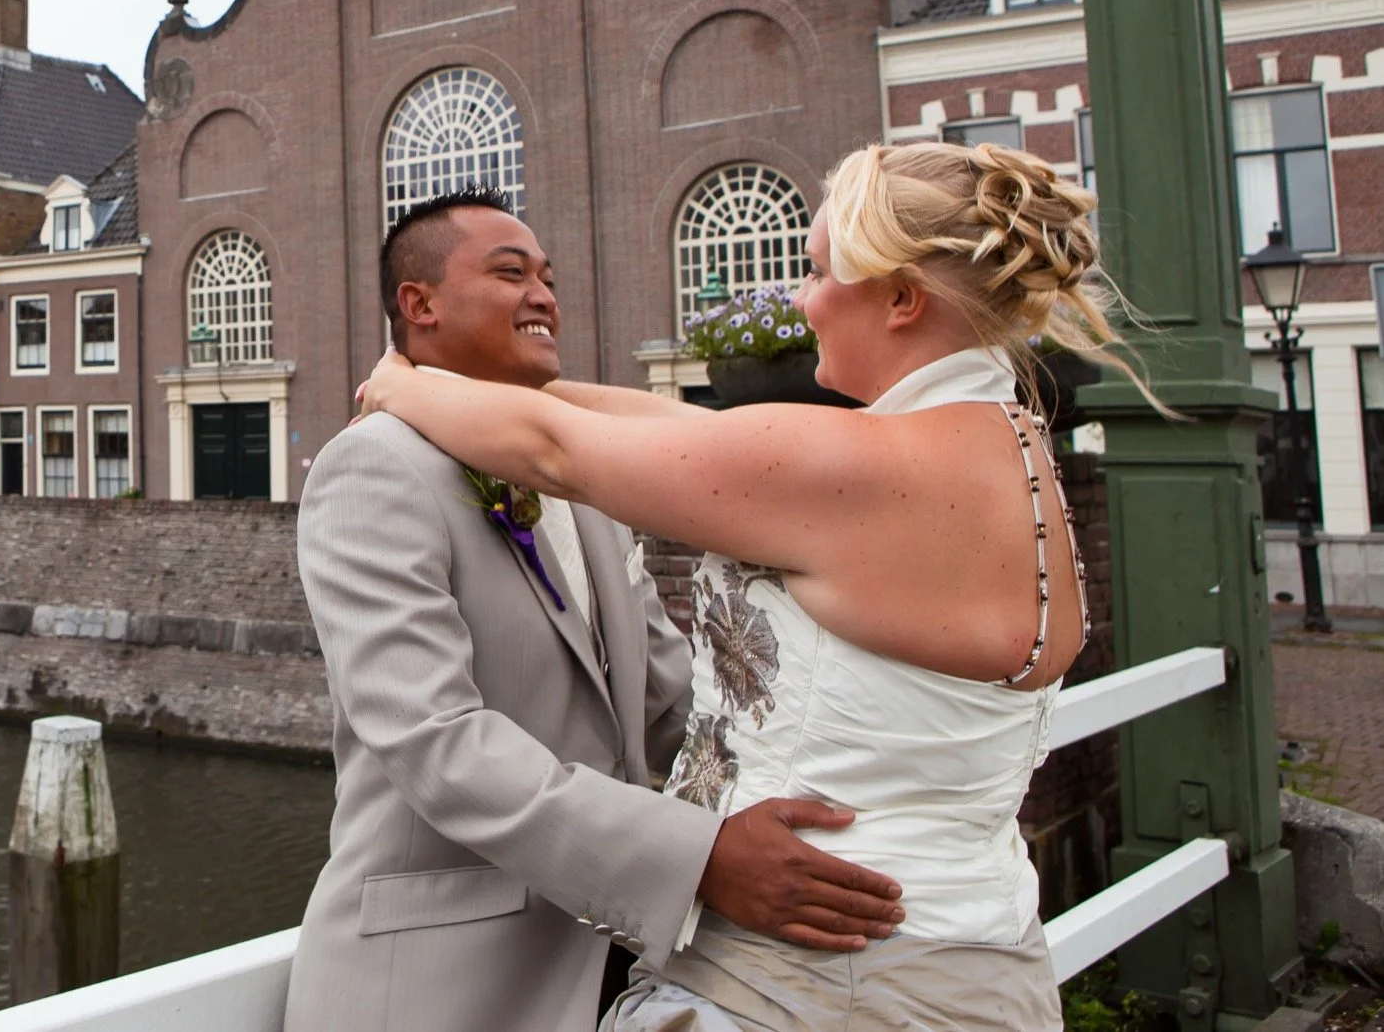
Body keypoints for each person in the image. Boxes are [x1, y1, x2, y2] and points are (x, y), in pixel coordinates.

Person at [360, 142, 1126, 1031]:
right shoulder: (1013, 458)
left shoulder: (861, 468)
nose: (801, 303)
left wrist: (395, 383)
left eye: (813, 271)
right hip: (980, 964)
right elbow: (673, 425)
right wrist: (467, 380)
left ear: (902, 298)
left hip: (812, 981)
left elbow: (551, 449)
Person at [286, 189, 906, 1032]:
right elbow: (436, 742)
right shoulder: (373, 467)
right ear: (418, 303)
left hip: (612, 973)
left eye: (548, 276)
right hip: (438, 990)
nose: (543, 293)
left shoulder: (577, 481)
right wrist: (698, 861)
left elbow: (668, 705)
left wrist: (824, 796)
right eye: (511, 273)